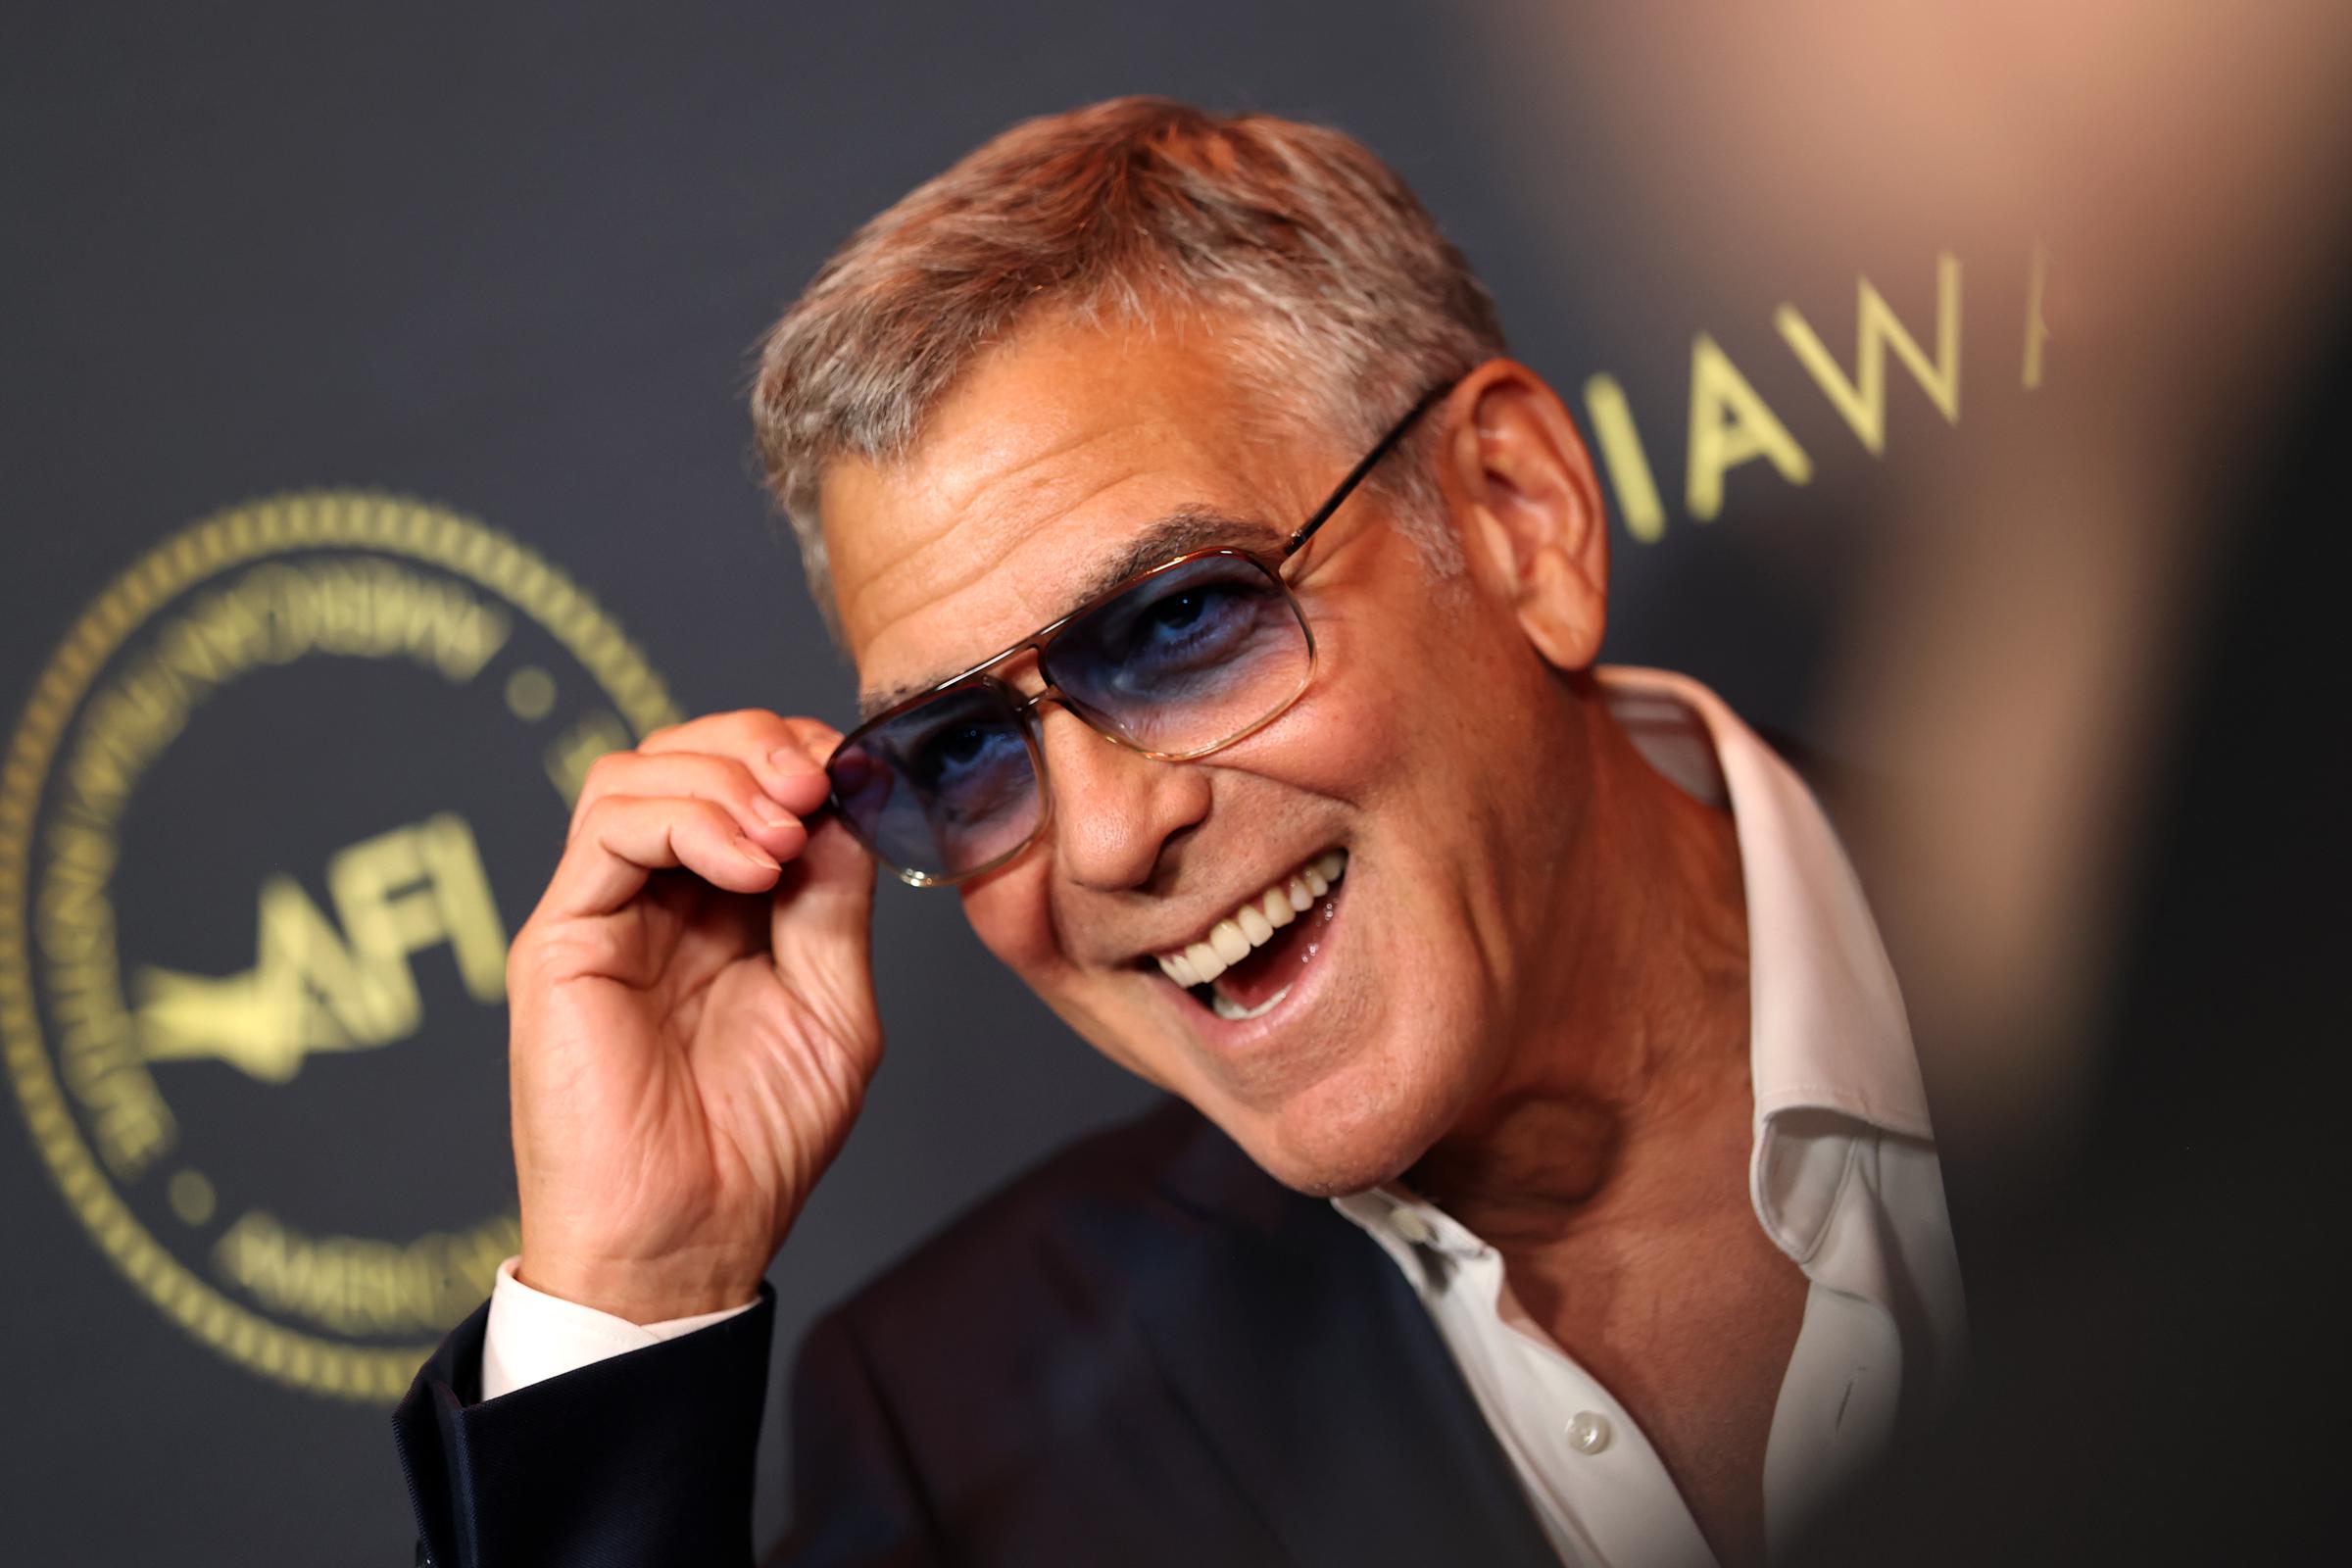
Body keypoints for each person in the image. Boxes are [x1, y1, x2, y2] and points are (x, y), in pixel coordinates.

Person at [393, 97, 1963, 1568]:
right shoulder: (959, 1431)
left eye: (1187, 619)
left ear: (1515, 517)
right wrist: (637, 1296)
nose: (1102, 842)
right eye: (968, 749)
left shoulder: (2166, 947)